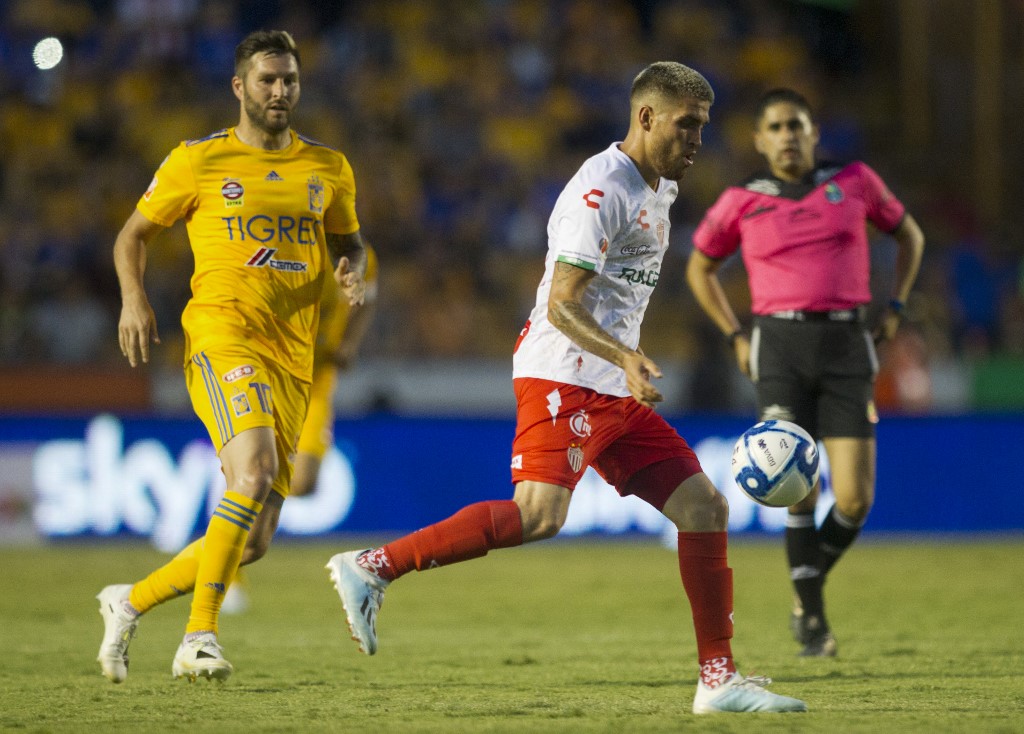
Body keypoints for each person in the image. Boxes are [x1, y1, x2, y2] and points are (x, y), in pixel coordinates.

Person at [326, 62, 807, 715]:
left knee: (704, 510)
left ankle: (718, 680)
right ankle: (374, 566)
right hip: (567, 375)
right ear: (644, 118)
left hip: (612, 382)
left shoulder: (658, 186)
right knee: (538, 516)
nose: (697, 141)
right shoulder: (601, 191)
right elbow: (560, 304)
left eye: (703, 128)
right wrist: (627, 355)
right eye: (685, 126)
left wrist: (623, 363)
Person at [96, 29, 368, 683]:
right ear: (239, 86)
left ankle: (128, 602)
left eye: (290, 81)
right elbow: (132, 236)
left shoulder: (328, 169)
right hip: (224, 337)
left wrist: (352, 272)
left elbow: (351, 245)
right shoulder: (198, 160)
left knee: (255, 539)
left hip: (293, 358)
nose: (280, 91)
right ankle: (199, 638)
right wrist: (134, 301)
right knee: (251, 472)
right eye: (267, 80)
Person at [685, 88, 925, 657]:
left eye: (797, 124)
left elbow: (910, 236)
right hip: (780, 346)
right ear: (760, 140)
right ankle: (813, 620)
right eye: (776, 126)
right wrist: (734, 334)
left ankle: (805, 584)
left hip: (847, 343)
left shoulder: (856, 182)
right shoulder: (742, 199)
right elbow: (700, 267)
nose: (788, 134)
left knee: (856, 500)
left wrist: (895, 308)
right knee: (796, 485)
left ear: (815, 132)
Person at [224, 244, 378, 614]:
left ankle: (234, 506)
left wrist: (349, 344)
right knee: (259, 472)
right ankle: (226, 569)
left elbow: (368, 298)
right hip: (274, 370)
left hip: (318, 377)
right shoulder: (291, 248)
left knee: (304, 481)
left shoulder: (361, 255)